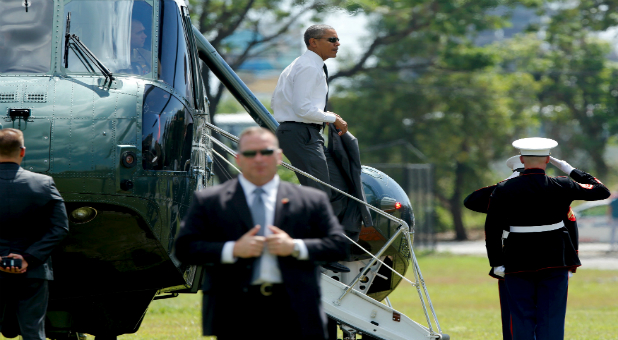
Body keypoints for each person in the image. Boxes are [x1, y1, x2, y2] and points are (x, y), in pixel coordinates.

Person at [174, 127, 347, 340]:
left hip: (296, 312)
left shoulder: (311, 200)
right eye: (250, 153)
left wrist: (295, 247)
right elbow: (185, 249)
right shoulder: (209, 201)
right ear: (238, 158)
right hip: (236, 314)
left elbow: (339, 245)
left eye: (265, 152)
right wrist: (232, 249)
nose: (258, 159)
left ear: (278, 156)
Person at [484, 137, 610, 340]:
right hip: (554, 260)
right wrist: (570, 170)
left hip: (517, 259)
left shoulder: (504, 188)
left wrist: (497, 262)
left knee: (522, 317)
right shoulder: (563, 184)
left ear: (522, 160)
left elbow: (492, 229)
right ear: (548, 159)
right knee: (551, 317)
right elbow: (602, 191)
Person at [0, 128, 69, 340]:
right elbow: (60, 227)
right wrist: (28, 258)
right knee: (33, 333)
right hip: (33, 272)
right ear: (22, 151)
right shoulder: (44, 184)